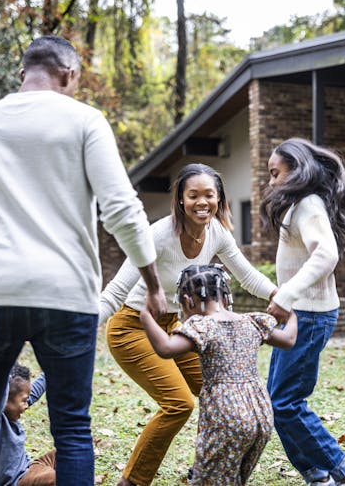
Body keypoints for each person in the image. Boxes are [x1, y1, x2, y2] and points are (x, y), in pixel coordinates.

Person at [0, 36, 166, 486]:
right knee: (72, 428)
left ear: (22, 74)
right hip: (65, 295)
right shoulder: (84, 121)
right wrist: (152, 282)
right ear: (70, 75)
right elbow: (121, 210)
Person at [99, 163, 278, 485]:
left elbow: (247, 276)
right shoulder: (158, 235)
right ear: (181, 200)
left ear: (219, 198)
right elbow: (114, 291)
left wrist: (281, 297)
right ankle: (132, 482)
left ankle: (209, 467)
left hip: (179, 328)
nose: (202, 202)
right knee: (178, 404)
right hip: (132, 326)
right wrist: (80, 329)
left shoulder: (217, 234)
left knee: (214, 389)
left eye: (209, 195)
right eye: (192, 195)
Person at [260, 137, 345, 486]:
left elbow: (325, 255)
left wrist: (286, 296)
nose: (271, 181)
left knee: (287, 403)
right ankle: (317, 475)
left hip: (309, 316)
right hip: (301, 313)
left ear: (296, 170)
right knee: (277, 402)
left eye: (275, 173)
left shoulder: (308, 204)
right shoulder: (301, 204)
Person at [139, 264, 297, 485]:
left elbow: (166, 348)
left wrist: (145, 316)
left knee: (207, 479)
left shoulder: (203, 325)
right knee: (235, 479)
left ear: (188, 300)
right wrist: (292, 315)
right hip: (260, 412)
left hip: (226, 414)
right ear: (225, 295)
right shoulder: (251, 321)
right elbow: (288, 340)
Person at [0, 363, 54, 486]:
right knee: (59, 478)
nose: (26, 405)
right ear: (4, 398)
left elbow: (34, 391)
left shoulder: (10, 409)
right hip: (16, 482)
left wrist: (52, 369)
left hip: (30, 469)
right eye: (24, 400)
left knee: (66, 453)